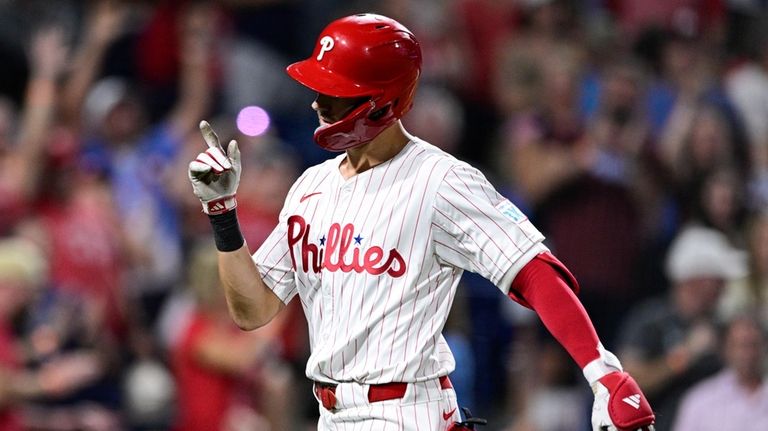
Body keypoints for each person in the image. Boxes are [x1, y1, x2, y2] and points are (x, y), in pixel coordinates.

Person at [187, 13, 655, 431]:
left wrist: (602, 371)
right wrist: (222, 214)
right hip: (331, 415)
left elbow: (534, 269)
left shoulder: (441, 180)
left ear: (381, 102)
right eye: (318, 91)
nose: (316, 104)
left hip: (407, 412)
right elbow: (253, 310)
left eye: (333, 94)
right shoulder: (310, 187)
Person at [672, 314, 768, 431]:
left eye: (753, 345)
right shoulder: (699, 401)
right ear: (725, 349)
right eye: (739, 346)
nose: (747, 354)